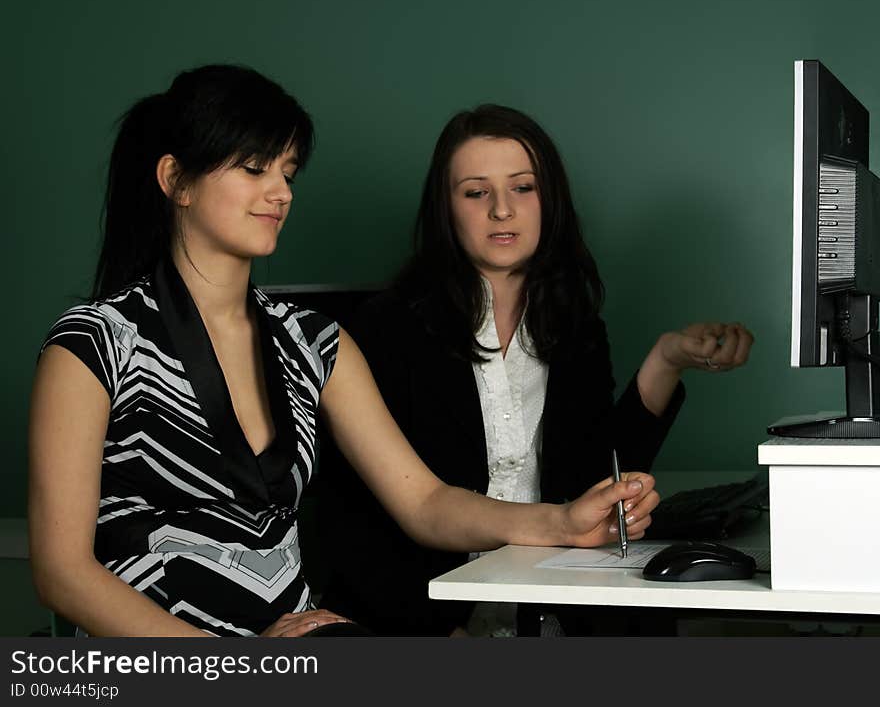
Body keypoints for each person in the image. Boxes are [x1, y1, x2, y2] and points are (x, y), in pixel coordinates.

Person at [27, 67, 660, 637]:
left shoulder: (315, 341)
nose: (281, 193)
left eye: (288, 172)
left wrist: (562, 522)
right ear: (176, 181)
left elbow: (426, 503)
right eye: (254, 169)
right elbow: (61, 573)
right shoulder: (93, 344)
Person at [317, 104, 754, 636]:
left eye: (522, 188)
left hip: (544, 597)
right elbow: (359, 514)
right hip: (428, 611)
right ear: (446, 209)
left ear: (549, 200)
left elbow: (600, 479)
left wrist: (667, 359)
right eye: (476, 192)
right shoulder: (388, 327)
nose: (502, 210)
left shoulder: (574, 323)